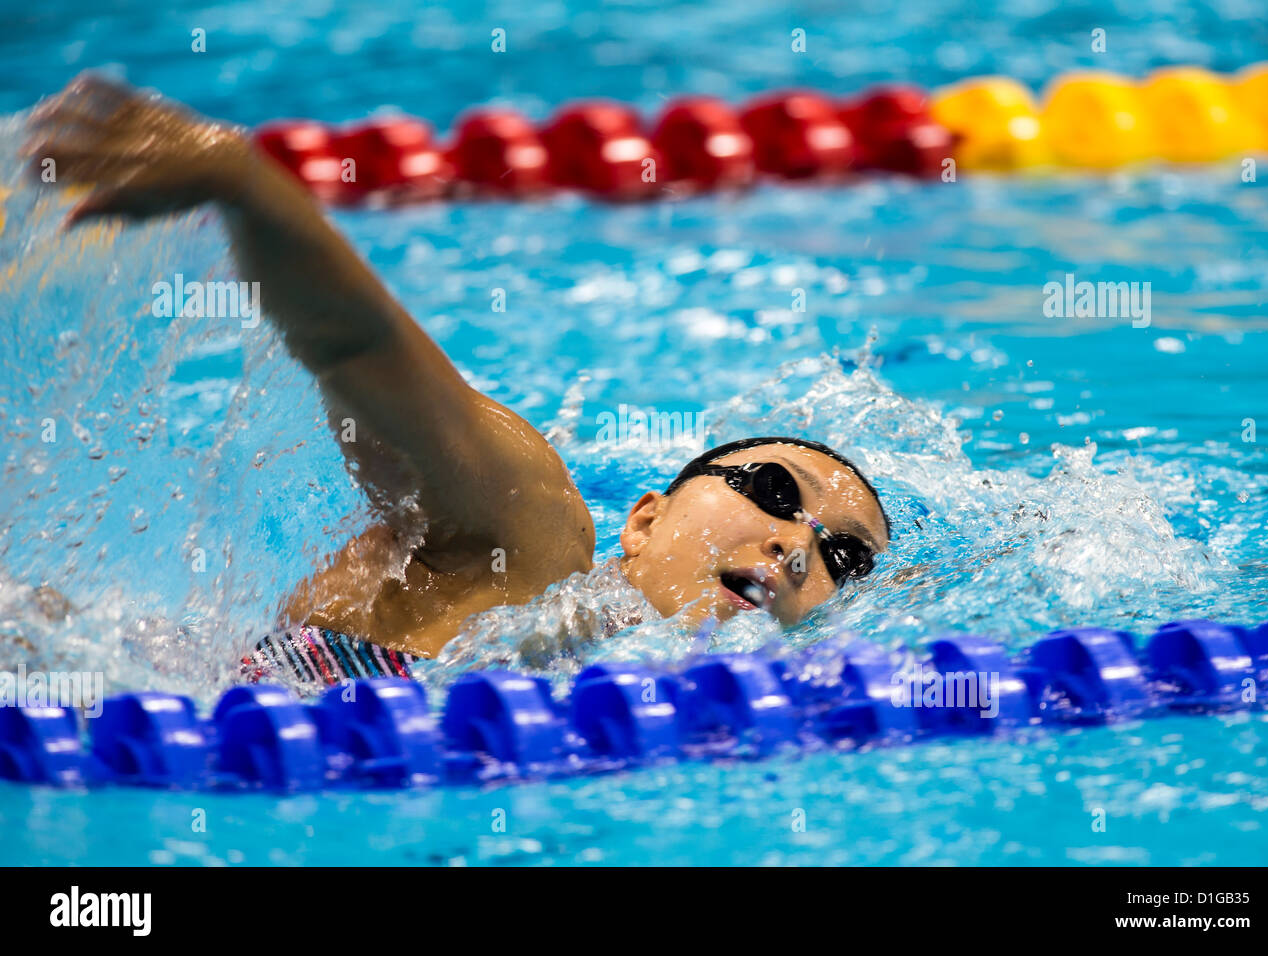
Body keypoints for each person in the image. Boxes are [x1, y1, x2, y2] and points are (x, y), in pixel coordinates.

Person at [23, 74, 891, 687]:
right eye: (776, 490)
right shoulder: (532, 535)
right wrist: (245, 183)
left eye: (843, 558)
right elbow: (357, 351)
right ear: (644, 518)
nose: (800, 544)